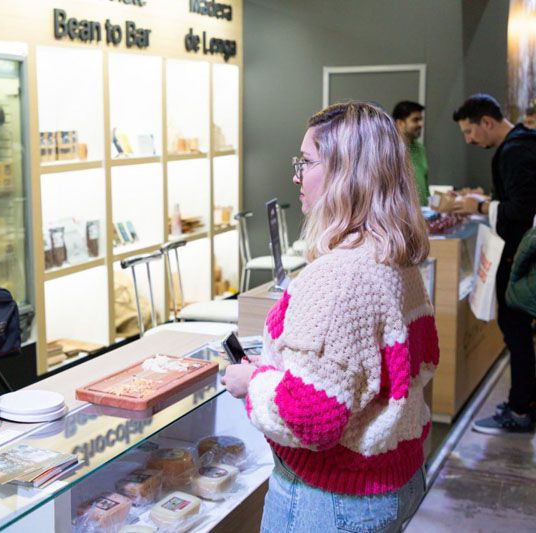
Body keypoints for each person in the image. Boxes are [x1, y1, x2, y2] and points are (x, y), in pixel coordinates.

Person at [222, 102, 438, 532]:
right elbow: (417, 361)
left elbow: (311, 417)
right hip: (394, 481)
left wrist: (252, 383)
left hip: (330, 500)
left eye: (306, 162)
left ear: (346, 173)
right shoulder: (395, 259)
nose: (296, 176)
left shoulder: (338, 276)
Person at [451, 93, 536, 433]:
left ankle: (520, 410)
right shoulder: (522, 142)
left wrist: (481, 207)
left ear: (486, 122)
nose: (469, 140)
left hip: (518, 259)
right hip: (520, 257)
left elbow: (522, 209)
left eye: (469, 132)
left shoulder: (515, 150)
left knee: (516, 333)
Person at [392, 100, 430, 205]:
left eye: (421, 120)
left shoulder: (420, 148)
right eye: (415, 120)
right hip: (400, 213)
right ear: (400, 123)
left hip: (423, 212)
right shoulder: (388, 150)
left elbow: (425, 189)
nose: (420, 124)